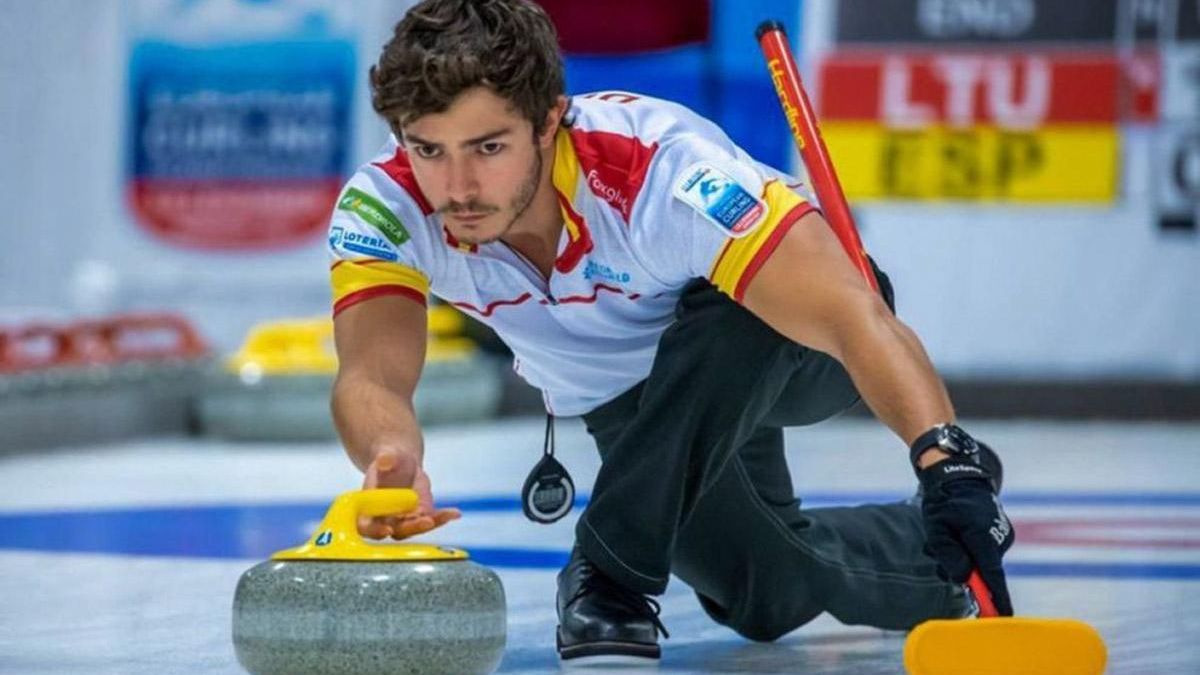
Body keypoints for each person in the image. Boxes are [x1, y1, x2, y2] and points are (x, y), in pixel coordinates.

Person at [328, 0, 1015, 662]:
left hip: (791, 343)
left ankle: (607, 572)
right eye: (428, 148)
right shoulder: (386, 205)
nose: (457, 186)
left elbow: (851, 316)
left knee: (735, 317)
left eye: (488, 147)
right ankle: (934, 564)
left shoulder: (657, 168)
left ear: (548, 120)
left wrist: (943, 457)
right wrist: (392, 454)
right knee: (764, 595)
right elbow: (372, 375)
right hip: (634, 394)